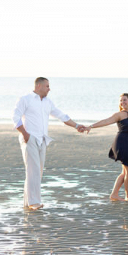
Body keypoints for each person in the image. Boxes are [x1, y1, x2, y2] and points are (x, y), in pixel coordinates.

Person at [12, 77, 84, 210]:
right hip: (30, 138)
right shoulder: (25, 99)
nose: (49, 89)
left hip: (42, 139)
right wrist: (25, 134)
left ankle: (28, 202)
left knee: (37, 171)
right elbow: (15, 117)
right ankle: (34, 202)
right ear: (38, 86)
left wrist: (77, 126)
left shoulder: (47, 102)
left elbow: (61, 116)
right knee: (33, 170)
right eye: (47, 86)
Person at [84, 93, 128, 202]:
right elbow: (106, 121)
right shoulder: (120, 114)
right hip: (124, 144)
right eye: (121, 101)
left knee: (125, 172)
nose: (122, 102)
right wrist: (91, 126)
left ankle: (114, 195)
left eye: (125, 100)